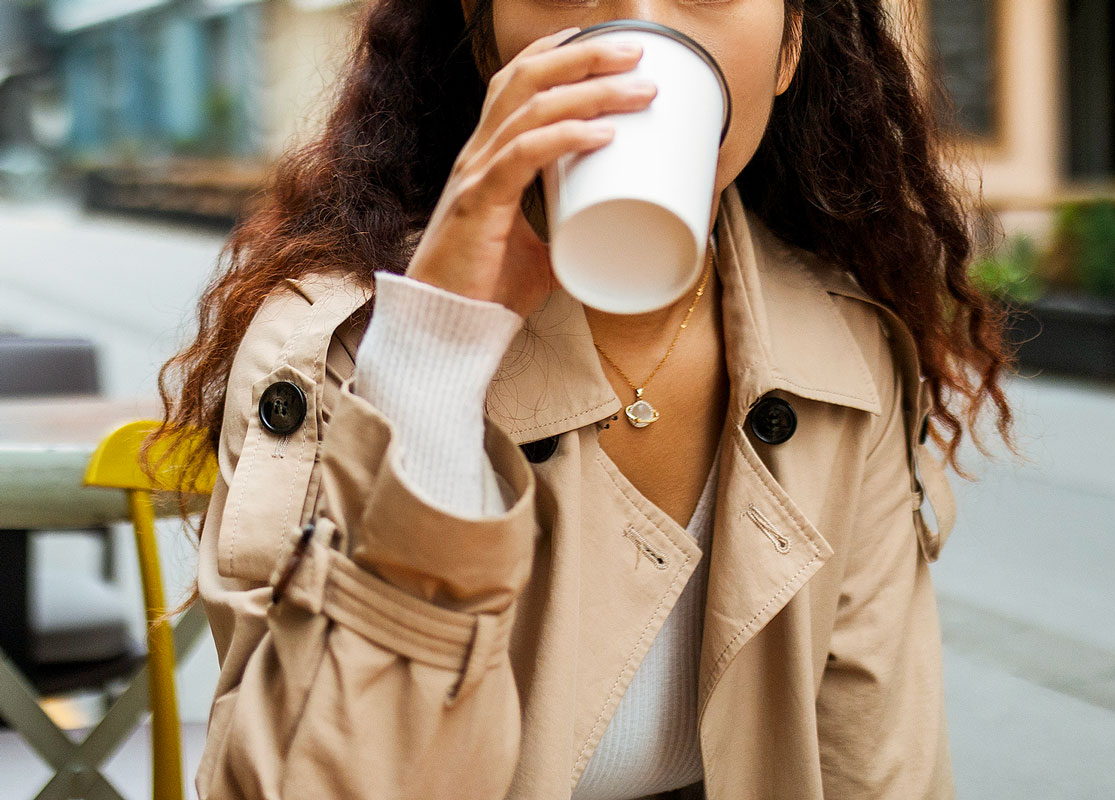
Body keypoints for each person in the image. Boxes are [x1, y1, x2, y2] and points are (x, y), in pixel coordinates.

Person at [156, 0, 1015, 797]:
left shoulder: (843, 349)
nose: (634, 37)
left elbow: (874, 761)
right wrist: (429, 372)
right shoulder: (334, 347)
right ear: (486, 33)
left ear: (790, 42)